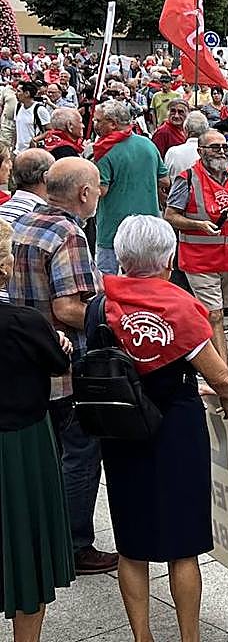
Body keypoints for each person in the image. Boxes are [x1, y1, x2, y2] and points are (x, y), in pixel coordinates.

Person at [96, 216, 228, 642]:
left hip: (121, 427)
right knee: (183, 544)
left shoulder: (101, 303)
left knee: (132, 540)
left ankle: (142, 636)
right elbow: (218, 376)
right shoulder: (181, 306)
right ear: (168, 260)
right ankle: (188, 637)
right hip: (176, 429)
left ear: (123, 257)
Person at [8, 158, 115, 575]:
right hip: (63, 364)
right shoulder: (68, 232)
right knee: (80, 455)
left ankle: (43, 535)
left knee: (49, 454)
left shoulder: (24, 223)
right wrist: (107, 310)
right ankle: (74, 544)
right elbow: (68, 308)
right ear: (84, 194)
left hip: (27, 360)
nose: (99, 193)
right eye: (97, 187)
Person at [0, 217, 75, 641]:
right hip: (22, 444)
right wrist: (60, 343)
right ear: (4, 268)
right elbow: (57, 363)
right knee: (25, 553)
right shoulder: (26, 323)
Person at [164, 130, 228, 363]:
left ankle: (196, 358)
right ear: (201, 152)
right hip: (198, 259)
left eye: (223, 147)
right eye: (214, 147)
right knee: (215, 315)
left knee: (215, 314)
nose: (221, 151)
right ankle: (222, 376)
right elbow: (170, 215)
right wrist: (197, 225)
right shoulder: (187, 178)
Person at [92, 99, 169, 276]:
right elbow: (165, 180)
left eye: (98, 121)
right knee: (145, 278)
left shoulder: (105, 151)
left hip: (113, 229)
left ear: (112, 124)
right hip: (146, 227)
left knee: (107, 279)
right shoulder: (148, 144)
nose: (95, 124)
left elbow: (101, 190)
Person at [164, 110, 208, 181]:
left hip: (177, 190)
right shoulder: (214, 151)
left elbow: (166, 180)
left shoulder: (173, 152)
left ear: (185, 130)